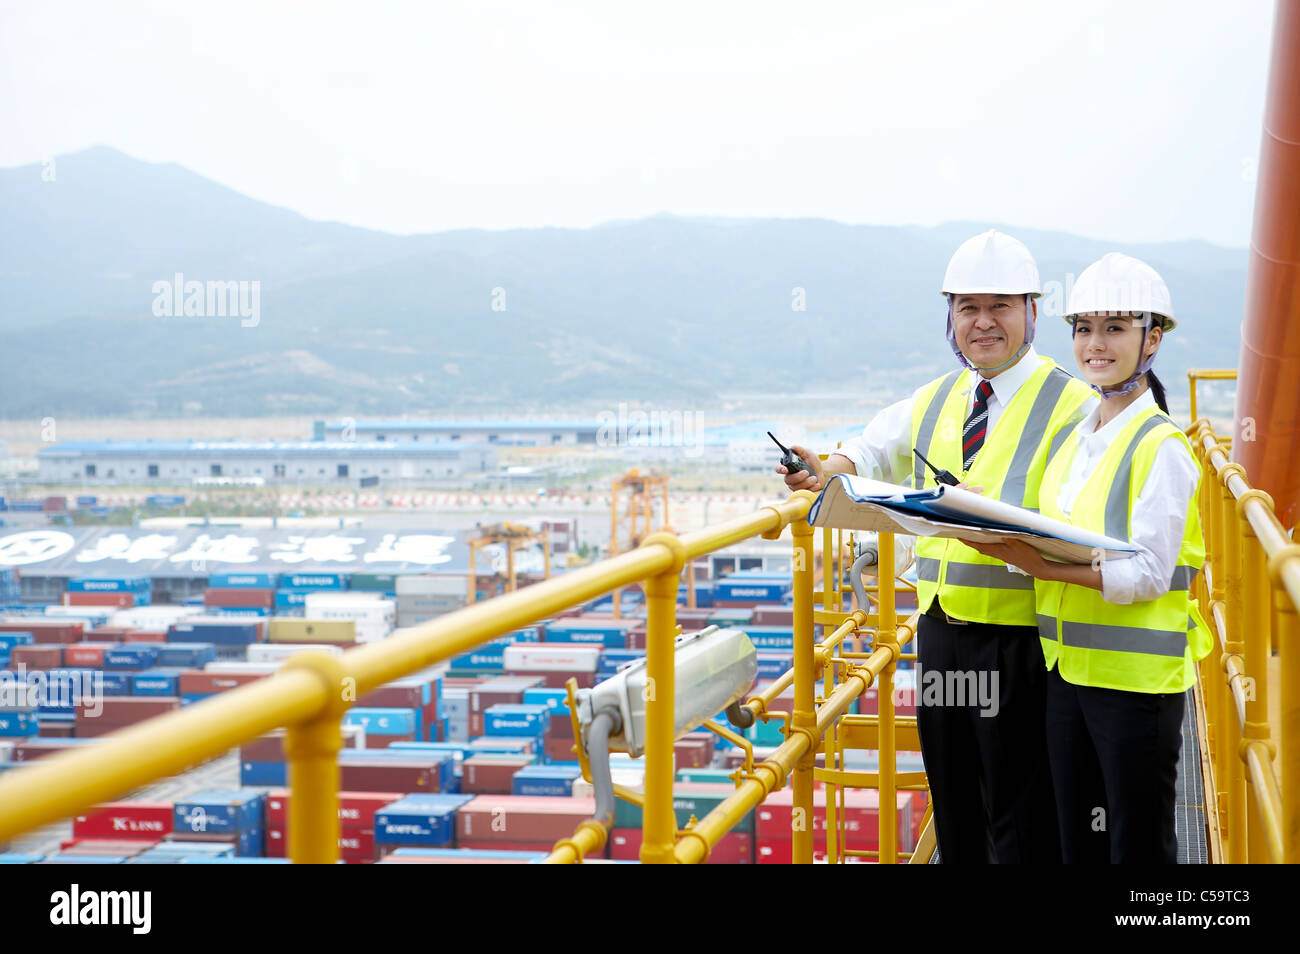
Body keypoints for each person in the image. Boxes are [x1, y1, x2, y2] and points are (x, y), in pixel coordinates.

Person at [778, 230, 1096, 863]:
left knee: (1021, 810)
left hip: (1023, 639)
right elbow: (866, 452)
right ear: (949, 317)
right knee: (953, 803)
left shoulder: (1075, 404)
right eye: (967, 308)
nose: (983, 323)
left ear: (1032, 312)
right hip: (942, 634)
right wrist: (823, 468)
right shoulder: (936, 399)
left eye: (1000, 306)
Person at [967, 252, 1212, 863]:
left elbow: (1151, 572)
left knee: (1136, 845)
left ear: (1152, 338)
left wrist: (1044, 566)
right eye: (1083, 329)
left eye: (1115, 328)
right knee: (1081, 837)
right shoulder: (1081, 438)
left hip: (1135, 684)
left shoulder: (1162, 447)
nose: (1094, 344)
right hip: (1068, 671)